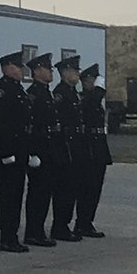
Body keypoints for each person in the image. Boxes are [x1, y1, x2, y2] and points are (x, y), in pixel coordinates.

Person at [0, 50, 38, 252]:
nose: (21, 71)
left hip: (20, 150)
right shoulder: (0, 90)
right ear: (8, 67)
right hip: (8, 153)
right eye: (18, 67)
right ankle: (5, 236)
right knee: (8, 195)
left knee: (17, 194)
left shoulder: (19, 90)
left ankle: (12, 235)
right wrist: (5, 152)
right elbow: (2, 124)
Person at [23, 51, 60, 247]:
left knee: (45, 192)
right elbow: (32, 125)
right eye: (47, 68)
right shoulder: (33, 94)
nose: (50, 72)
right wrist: (33, 152)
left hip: (49, 148)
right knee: (37, 192)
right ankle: (32, 232)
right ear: (37, 71)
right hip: (40, 149)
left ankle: (39, 230)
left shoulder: (46, 92)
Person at [50, 54, 85, 242]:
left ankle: (65, 224)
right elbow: (58, 123)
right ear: (65, 72)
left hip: (75, 145)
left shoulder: (73, 92)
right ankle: (60, 226)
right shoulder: (60, 93)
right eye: (74, 70)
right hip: (65, 145)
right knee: (63, 189)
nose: (77, 74)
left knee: (72, 188)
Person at [75, 63, 112, 238]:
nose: (94, 83)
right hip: (87, 148)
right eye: (92, 80)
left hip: (98, 147)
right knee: (86, 188)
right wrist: (99, 89)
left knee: (95, 188)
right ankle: (81, 223)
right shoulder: (85, 99)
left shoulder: (93, 99)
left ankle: (87, 222)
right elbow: (92, 103)